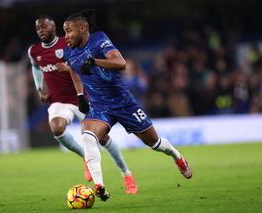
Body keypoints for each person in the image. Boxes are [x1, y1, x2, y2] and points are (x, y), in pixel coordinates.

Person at [62, 10, 192, 202]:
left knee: (155, 144)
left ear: (83, 28)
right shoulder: (69, 51)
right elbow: (73, 69)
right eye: (64, 32)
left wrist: (95, 61)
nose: (65, 36)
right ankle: (99, 186)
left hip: (124, 103)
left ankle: (176, 155)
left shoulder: (99, 40)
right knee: (87, 136)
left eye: (68, 31)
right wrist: (80, 95)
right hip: (100, 107)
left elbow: (121, 63)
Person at [27, 15, 138, 194]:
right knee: (57, 128)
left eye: (44, 27)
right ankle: (85, 157)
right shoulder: (34, 51)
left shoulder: (68, 42)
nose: (40, 30)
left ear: (54, 28)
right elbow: (35, 66)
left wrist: (70, 68)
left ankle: (126, 173)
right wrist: (39, 88)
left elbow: (81, 63)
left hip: (83, 99)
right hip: (59, 101)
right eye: (37, 28)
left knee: (104, 140)